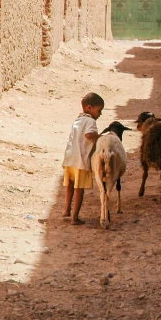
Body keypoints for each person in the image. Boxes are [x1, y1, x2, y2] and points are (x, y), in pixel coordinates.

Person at [61, 92, 103, 225]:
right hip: (81, 160)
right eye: (99, 110)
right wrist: (99, 137)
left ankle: (66, 210)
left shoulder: (78, 119)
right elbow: (89, 135)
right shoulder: (91, 121)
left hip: (70, 159)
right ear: (89, 108)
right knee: (79, 189)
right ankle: (75, 218)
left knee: (70, 186)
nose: (100, 114)